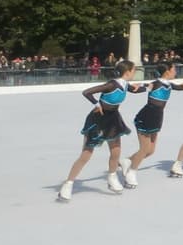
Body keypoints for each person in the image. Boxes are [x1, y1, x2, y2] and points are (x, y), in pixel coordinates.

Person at [56, 59, 146, 202]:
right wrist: (96, 104)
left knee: (116, 152)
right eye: (134, 70)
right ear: (128, 72)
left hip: (113, 119)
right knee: (86, 155)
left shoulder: (125, 85)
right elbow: (87, 92)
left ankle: (112, 177)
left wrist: (148, 86)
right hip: (98, 119)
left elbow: (137, 90)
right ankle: (68, 184)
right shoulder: (112, 84)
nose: (135, 73)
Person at [123, 59, 183, 188]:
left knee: (150, 150)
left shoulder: (169, 84)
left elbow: (180, 87)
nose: (175, 71)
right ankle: (132, 172)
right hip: (146, 117)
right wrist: (134, 85)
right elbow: (141, 87)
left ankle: (127, 161)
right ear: (167, 71)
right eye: (174, 69)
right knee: (144, 149)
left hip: (157, 118)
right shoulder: (156, 84)